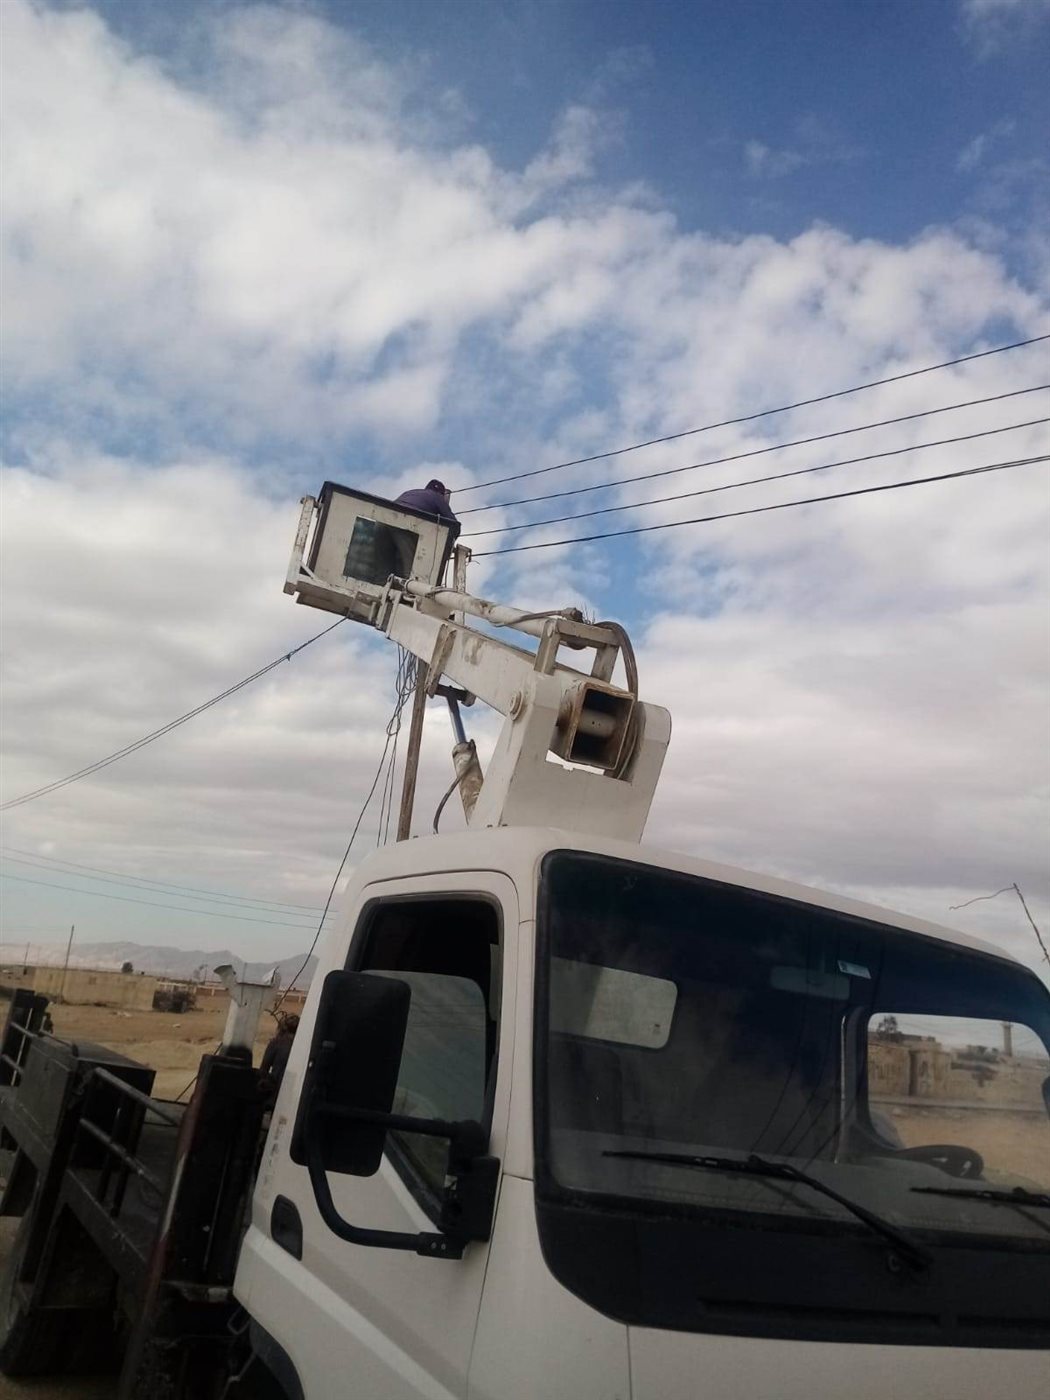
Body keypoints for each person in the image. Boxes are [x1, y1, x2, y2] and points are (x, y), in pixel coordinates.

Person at [260, 1012, 299, 1095]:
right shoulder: (302, 1046)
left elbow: (263, 1069)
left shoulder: (277, 1043)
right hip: (295, 1090)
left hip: (276, 1088)